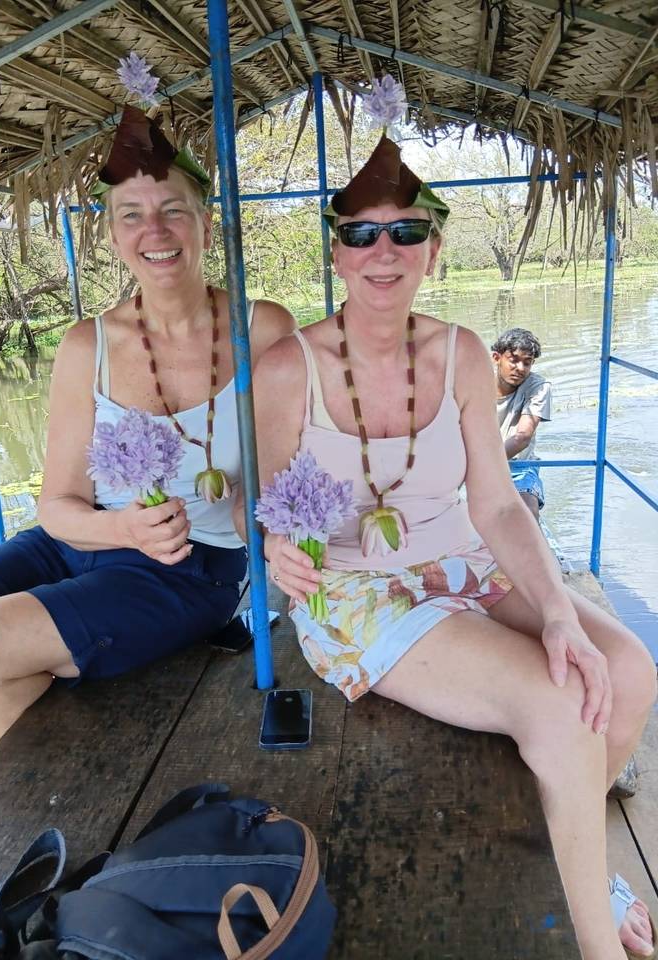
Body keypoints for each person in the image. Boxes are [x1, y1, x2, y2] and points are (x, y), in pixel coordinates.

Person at [249, 128, 657, 960]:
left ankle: (578, 860)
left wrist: (558, 612)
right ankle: (596, 937)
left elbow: (499, 506)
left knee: (627, 667)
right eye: (362, 233)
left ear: (433, 250)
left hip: (465, 561)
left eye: (406, 231)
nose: (384, 250)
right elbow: (259, 504)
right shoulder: (288, 368)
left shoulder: (464, 352)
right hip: (354, 590)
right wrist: (276, 545)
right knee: (558, 707)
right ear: (337, 252)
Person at [0, 105, 294, 744]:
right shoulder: (88, 345)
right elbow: (56, 506)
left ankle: (71, 784)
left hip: (195, 562)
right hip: (87, 538)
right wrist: (121, 528)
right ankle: (66, 744)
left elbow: (283, 473)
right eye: (131, 214)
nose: (154, 230)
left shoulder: (261, 327)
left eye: (173, 210)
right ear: (112, 233)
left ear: (206, 223)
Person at [492, 327, 551, 519]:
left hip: (519, 466)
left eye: (527, 362)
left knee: (528, 514)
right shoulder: (476, 383)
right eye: (514, 360)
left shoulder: (538, 387)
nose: (521, 368)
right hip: (476, 463)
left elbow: (522, 437)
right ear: (497, 358)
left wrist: (485, 464)